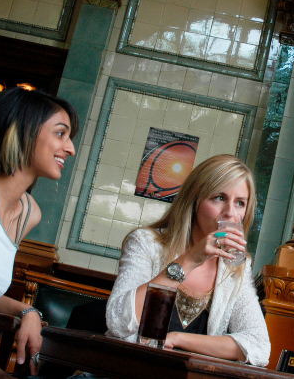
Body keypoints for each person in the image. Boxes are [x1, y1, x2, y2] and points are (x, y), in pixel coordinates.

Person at [105, 154, 270, 366]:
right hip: (126, 367)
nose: (230, 212)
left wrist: (177, 339)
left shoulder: (236, 267)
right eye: (219, 198)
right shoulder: (146, 244)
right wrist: (190, 260)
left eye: (240, 203)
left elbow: (259, 346)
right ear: (194, 202)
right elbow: (118, 321)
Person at [0, 87, 79, 379]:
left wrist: (28, 312)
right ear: (24, 131)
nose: (71, 148)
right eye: (61, 134)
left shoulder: (28, 212)